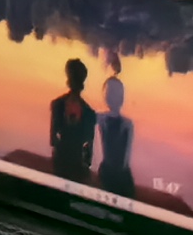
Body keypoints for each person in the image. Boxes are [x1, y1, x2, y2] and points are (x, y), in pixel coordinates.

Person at [47, 57, 98, 185]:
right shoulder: (89, 113)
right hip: (73, 166)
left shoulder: (57, 105)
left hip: (63, 164)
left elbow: (53, 139)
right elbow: (89, 152)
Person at [96, 68, 139, 205]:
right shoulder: (103, 119)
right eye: (110, 93)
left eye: (115, 94)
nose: (112, 97)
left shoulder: (126, 124)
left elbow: (125, 159)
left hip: (118, 174)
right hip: (110, 171)